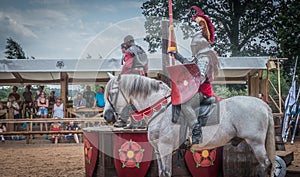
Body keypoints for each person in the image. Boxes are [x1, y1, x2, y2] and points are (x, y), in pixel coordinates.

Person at [170, 6, 219, 145]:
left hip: (203, 92)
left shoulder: (204, 58)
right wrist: (177, 55)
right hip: (199, 90)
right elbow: (189, 64)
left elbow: (201, 77)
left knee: (185, 104)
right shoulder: (200, 57)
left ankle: (196, 132)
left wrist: (187, 84)